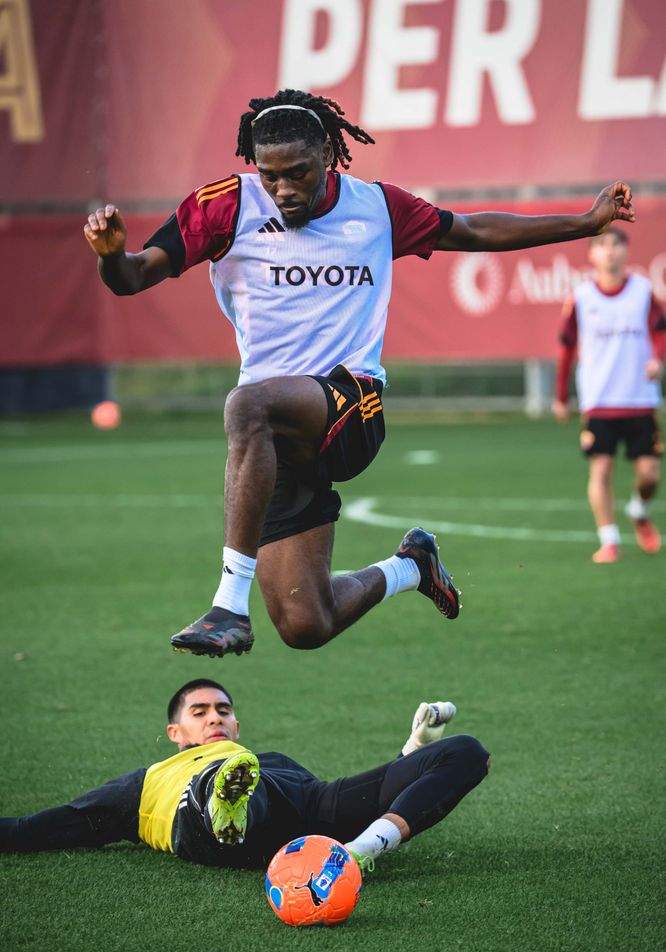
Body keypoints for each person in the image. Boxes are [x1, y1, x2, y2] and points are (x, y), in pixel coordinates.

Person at [83, 89, 636, 656]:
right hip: (274, 437)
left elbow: (474, 230)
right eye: (270, 176)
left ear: (327, 152)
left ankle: (227, 606)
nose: (283, 189)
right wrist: (110, 255)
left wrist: (587, 223)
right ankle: (412, 566)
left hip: (353, 406)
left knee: (245, 404)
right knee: (306, 623)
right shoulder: (224, 207)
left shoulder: (377, 208)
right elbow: (133, 277)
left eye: (298, 173)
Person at [0, 679, 488, 872]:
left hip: (302, 810)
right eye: (200, 712)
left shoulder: (273, 759)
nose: (214, 717)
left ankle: (358, 853)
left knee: (467, 752)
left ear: (236, 725)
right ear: (175, 732)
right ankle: (225, 808)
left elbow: (362, 801)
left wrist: (412, 751)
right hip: (198, 821)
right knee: (225, 779)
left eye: (223, 710)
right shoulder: (147, 781)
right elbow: (52, 824)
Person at [553, 228, 665, 563]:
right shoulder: (581, 298)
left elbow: (661, 333)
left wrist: (658, 359)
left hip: (639, 399)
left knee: (649, 475)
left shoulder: (643, 292)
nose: (610, 251)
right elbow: (566, 348)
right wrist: (561, 396)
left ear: (626, 251)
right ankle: (609, 540)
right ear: (592, 254)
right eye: (602, 245)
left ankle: (639, 510)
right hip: (599, 401)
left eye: (616, 244)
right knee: (600, 470)